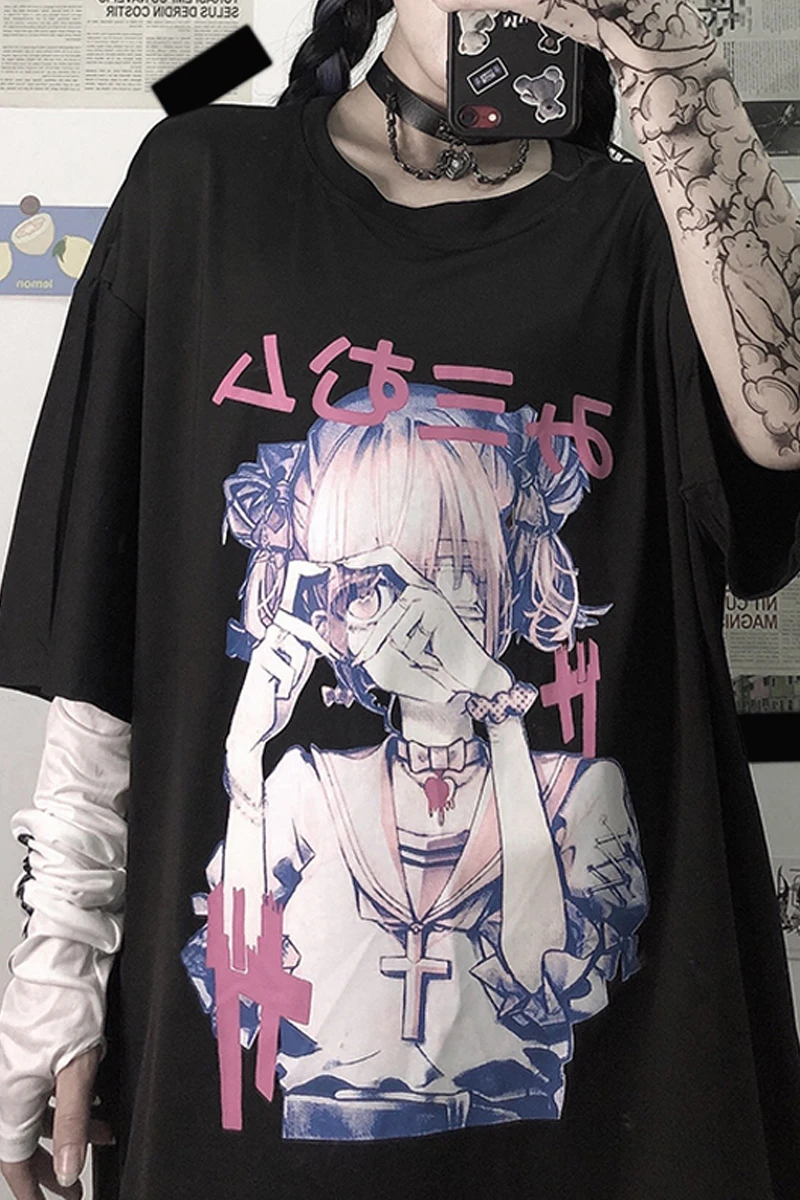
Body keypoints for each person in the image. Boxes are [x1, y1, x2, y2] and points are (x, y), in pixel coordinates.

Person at [0, 0, 799, 1197]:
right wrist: (59, 966)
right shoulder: (203, 189)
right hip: (261, 1146)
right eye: (374, 576)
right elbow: (101, 642)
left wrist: (662, 54)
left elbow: (783, 429)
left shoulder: (639, 229)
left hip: (609, 1126)